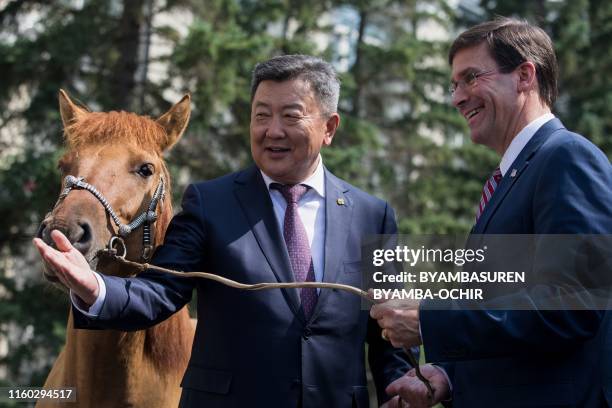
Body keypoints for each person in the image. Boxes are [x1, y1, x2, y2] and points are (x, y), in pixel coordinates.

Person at [33, 55, 412, 407]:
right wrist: (94, 288)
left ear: (329, 127)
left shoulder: (372, 215)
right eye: (261, 115)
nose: (272, 130)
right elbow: (161, 291)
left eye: (290, 116)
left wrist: (401, 385)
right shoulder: (209, 202)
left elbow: (388, 328)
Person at [370, 17, 612, 407]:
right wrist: (447, 374)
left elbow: (573, 303)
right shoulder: (512, 177)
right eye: (454, 85)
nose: (457, 97)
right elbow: (513, 315)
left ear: (524, 75)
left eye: (471, 78)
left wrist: (430, 320)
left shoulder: (567, 157)